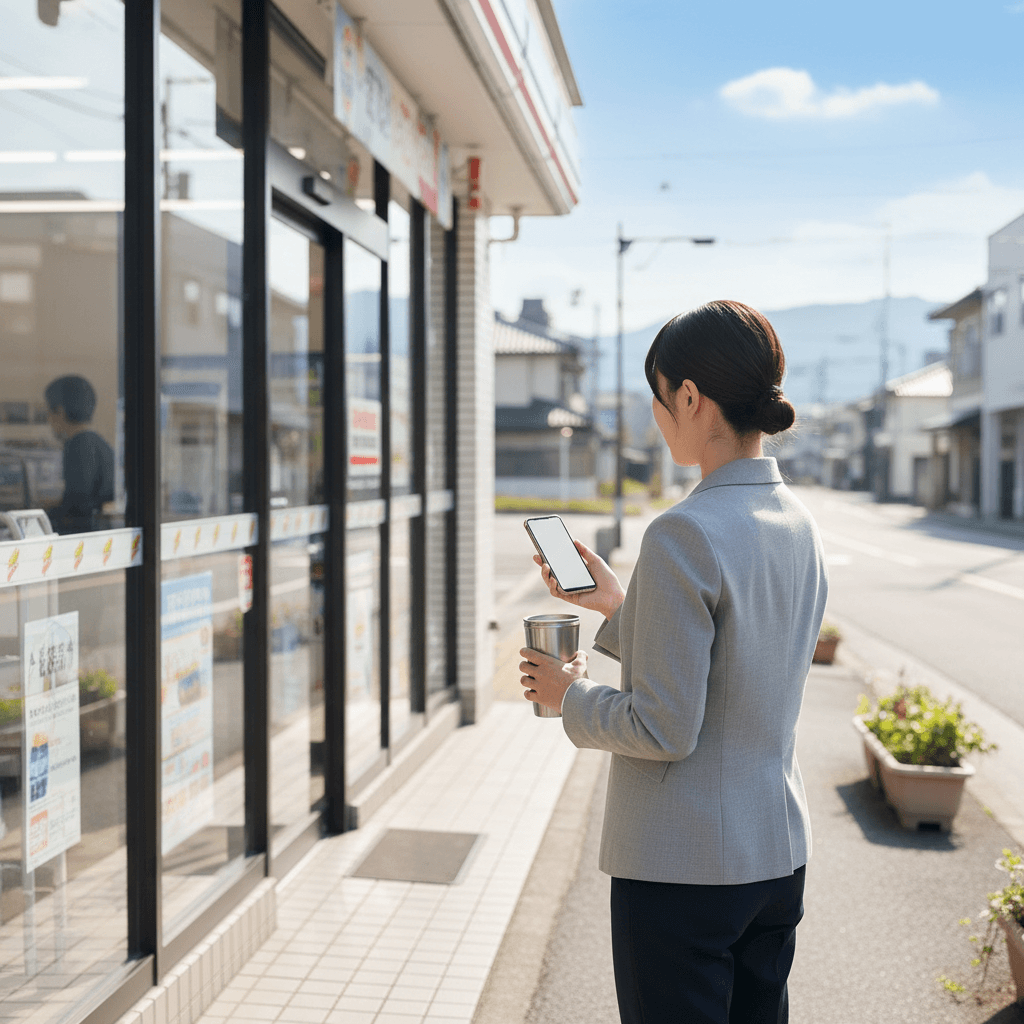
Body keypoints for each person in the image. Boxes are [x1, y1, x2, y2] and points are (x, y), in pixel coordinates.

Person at [520, 300, 828, 1024]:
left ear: (689, 396)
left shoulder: (682, 533)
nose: (657, 418)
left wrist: (569, 694)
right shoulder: (800, 522)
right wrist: (620, 603)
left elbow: (664, 728)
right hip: (777, 853)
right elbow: (735, 663)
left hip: (684, 868)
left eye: (659, 399)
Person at [44, 375, 114, 534]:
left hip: (83, 536)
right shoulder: (101, 443)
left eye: (48, 412)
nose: (48, 419)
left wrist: (42, 515)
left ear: (60, 412)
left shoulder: (77, 445)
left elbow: (77, 504)